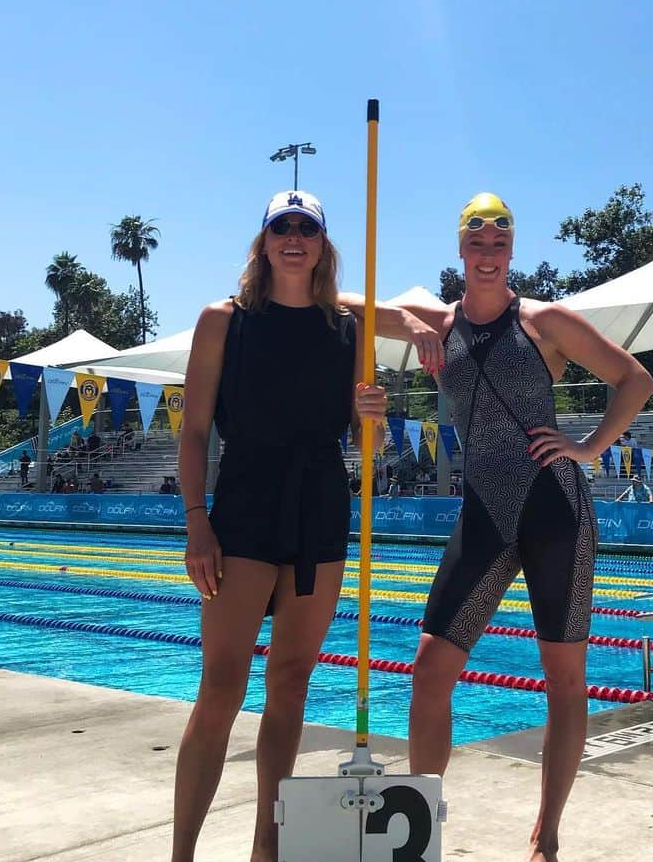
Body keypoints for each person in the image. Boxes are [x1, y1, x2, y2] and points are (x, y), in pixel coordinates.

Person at [354, 192, 653, 862]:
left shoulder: (546, 321)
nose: (487, 256)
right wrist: (406, 317)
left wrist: (589, 446)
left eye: (498, 244)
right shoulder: (438, 323)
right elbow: (346, 306)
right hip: (484, 513)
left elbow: (634, 380)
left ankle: (545, 836)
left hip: (556, 512)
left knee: (565, 678)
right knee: (431, 667)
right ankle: (416, 834)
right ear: (460, 251)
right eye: (476, 244)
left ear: (510, 252)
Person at [171, 190, 442, 862]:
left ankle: (267, 850)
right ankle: (181, 854)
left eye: (307, 228)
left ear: (322, 244)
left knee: (291, 681)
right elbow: (196, 429)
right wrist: (197, 522)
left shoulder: (345, 331)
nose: (294, 237)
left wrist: (371, 412)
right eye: (281, 227)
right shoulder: (222, 320)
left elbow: (358, 434)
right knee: (222, 687)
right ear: (262, 242)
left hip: (321, 504)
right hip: (244, 504)